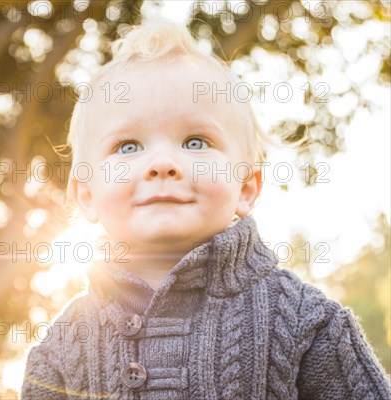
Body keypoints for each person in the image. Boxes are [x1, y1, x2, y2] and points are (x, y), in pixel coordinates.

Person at [20, 18, 391, 399]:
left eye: (196, 142)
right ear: (86, 194)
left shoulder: (307, 323)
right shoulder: (61, 349)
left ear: (246, 187)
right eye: (128, 146)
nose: (162, 163)